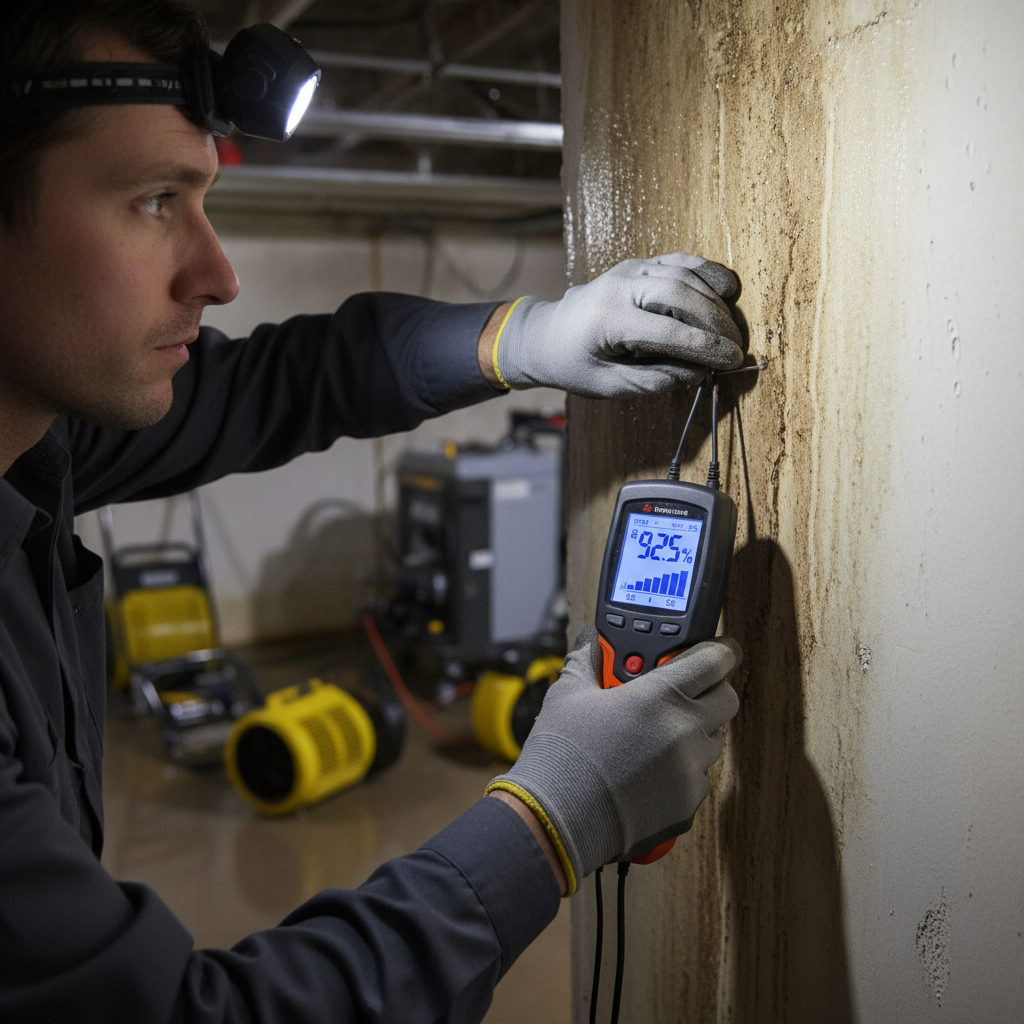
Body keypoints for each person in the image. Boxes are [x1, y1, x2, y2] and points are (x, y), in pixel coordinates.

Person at [0, 2, 745, 1021]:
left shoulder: (36, 441)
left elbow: (278, 382)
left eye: (204, 196)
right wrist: (549, 821)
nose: (216, 276)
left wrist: (523, 334)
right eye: (152, 200)